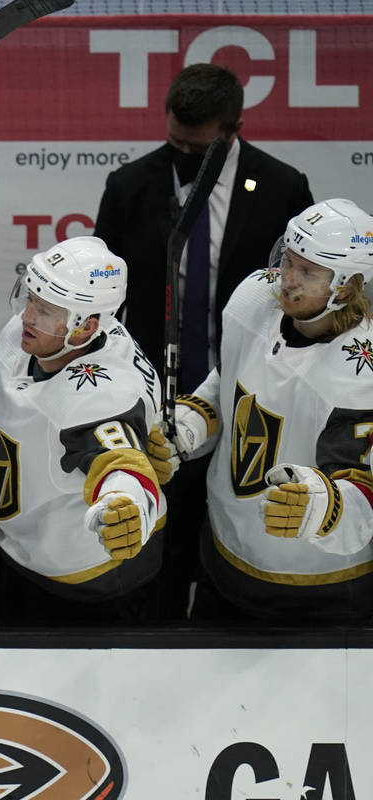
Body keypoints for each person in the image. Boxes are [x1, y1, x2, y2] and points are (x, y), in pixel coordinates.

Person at [93, 63, 314, 618]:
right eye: (175, 143)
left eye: (199, 149)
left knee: (225, 557)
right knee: (154, 566)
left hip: (245, 409)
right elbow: (104, 302)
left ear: (233, 129)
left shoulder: (283, 188)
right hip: (151, 409)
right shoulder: (129, 185)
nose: (182, 156)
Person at [153, 200, 373, 622]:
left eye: (308, 272)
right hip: (224, 559)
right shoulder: (253, 299)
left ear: (346, 286)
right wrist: (191, 423)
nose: (287, 280)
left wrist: (327, 509)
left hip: (325, 589)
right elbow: (229, 383)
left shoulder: (361, 370)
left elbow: (363, 488)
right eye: (287, 261)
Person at [0, 236, 166, 623]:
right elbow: (17, 403)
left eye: (45, 309)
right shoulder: (32, 337)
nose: (27, 316)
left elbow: (119, 459)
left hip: (91, 582)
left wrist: (125, 501)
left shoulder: (102, 390)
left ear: (86, 326)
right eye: (30, 299)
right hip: (19, 558)